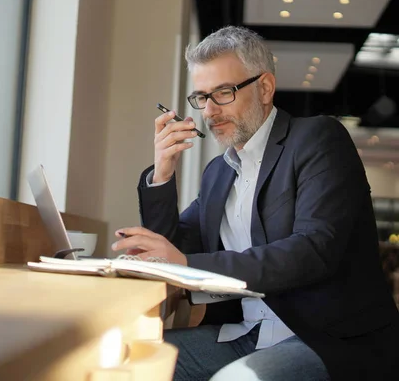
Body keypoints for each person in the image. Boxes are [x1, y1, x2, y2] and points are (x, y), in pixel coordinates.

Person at [111, 26, 399, 381]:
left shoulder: (318, 139)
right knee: (125, 357)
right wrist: (162, 173)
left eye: (223, 92)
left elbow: (314, 251)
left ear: (264, 88)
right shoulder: (219, 171)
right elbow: (177, 246)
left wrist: (185, 262)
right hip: (247, 335)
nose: (210, 111)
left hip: (324, 338)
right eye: (201, 97)